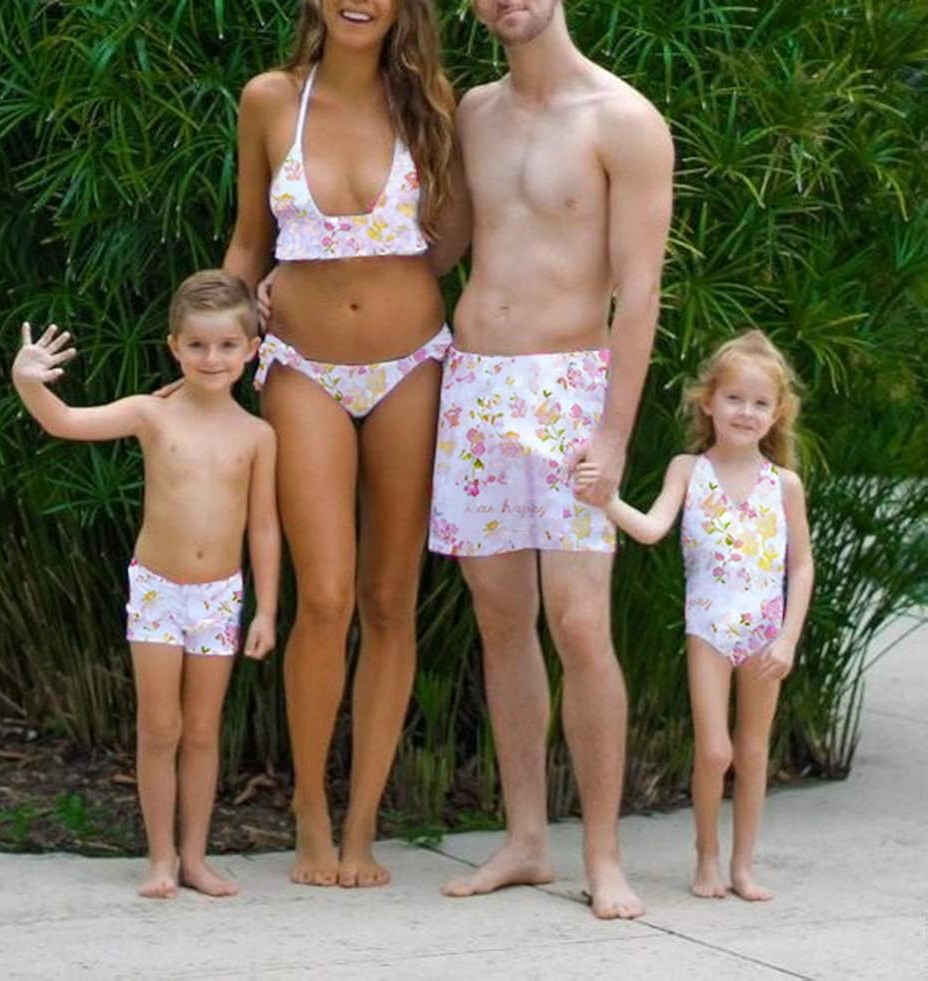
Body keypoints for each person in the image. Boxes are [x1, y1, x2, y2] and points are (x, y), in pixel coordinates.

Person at [427, 0, 673, 919]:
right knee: (500, 620)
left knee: (579, 625)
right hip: (474, 384)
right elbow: (442, 246)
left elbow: (640, 292)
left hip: (571, 391)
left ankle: (602, 855)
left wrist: (611, 434)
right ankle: (526, 840)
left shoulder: (623, 120)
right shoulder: (471, 112)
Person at [223, 0, 456, 887]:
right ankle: (309, 810)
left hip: (412, 364)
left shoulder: (432, 102)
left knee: (389, 598)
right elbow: (250, 239)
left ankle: (363, 824)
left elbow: (453, 238)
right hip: (301, 366)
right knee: (322, 597)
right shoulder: (270, 99)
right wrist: (212, 339)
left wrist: (384, 272)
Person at [11, 270, 279, 900]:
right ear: (173, 347)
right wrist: (29, 384)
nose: (211, 359)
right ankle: (159, 858)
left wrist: (266, 608)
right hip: (159, 590)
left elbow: (265, 527)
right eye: (197, 345)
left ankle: (195, 857)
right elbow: (66, 422)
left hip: (221, 597)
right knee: (159, 727)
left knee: (204, 729)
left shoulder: (257, 434)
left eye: (225, 346)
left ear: (251, 350)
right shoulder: (150, 415)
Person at [579, 330, 814, 901]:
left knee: (754, 751)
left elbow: (801, 567)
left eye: (760, 403)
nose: (746, 412)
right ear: (708, 401)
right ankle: (705, 854)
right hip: (708, 627)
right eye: (735, 398)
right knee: (716, 750)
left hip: (765, 631)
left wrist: (787, 640)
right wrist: (606, 499)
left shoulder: (783, 484)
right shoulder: (689, 469)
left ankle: (742, 865)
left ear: (777, 414)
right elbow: (655, 529)